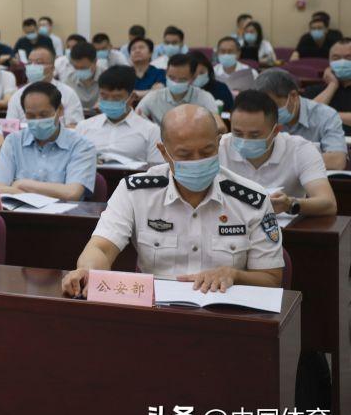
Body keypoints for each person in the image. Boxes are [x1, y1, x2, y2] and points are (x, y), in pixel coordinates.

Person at [61, 104, 284, 297]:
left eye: (207, 151)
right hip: (156, 312)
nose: (197, 161)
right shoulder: (135, 192)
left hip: (227, 313)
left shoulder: (251, 199)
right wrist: (89, 272)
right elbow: (101, 248)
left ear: (218, 143)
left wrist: (234, 275)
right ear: (163, 152)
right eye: (185, 155)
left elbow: (272, 279)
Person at [220, 91, 336, 217]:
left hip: (285, 227)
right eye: (238, 133)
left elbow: (329, 204)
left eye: (254, 135)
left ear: (276, 130)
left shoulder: (300, 149)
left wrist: (290, 204)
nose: (245, 140)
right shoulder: (218, 148)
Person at [0, 82, 96, 201]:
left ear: (60, 110)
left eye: (44, 115)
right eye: (31, 116)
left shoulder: (82, 146)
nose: (37, 121)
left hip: (62, 212)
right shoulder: (13, 141)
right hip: (17, 211)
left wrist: (22, 184)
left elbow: (72, 193)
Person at [254, 68, 347, 170]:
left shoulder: (325, 115)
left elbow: (337, 161)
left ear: (293, 96)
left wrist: (283, 161)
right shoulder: (258, 115)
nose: (269, 113)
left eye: (274, 106)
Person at [75, 66, 163, 166]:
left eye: (117, 97)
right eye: (104, 96)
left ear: (132, 97)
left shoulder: (151, 131)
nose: (109, 101)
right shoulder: (83, 127)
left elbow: (157, 169)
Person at [137, 54, 226, 132]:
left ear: (193, 78)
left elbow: (220, 127)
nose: (175, 83)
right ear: (166, 73)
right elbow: (136, 119)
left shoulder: (204, 97)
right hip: (160, 141)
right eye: (171, 77)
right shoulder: (154, 96)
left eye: (182, 79)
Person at [5, 46, 84, 125]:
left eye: (39, 63)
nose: (33, 66)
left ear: (52, 68)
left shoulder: (68, 94)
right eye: (30, 63)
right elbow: (11, 127)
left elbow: (75, 126)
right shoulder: (17, 96)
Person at [306, 38, 351, 136]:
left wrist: (325, 115)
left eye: (348, 58)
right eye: (336, 58)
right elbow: (309, 116)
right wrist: (332, 85)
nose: (342, 62)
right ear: (329, 62)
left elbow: (317, 114)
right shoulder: (314, 90)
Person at [62, 41, 102, 109]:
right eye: (76, 67)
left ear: (95, 61)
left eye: (84, 68)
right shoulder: (69, 80)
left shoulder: (107, 77)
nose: (79, 71)